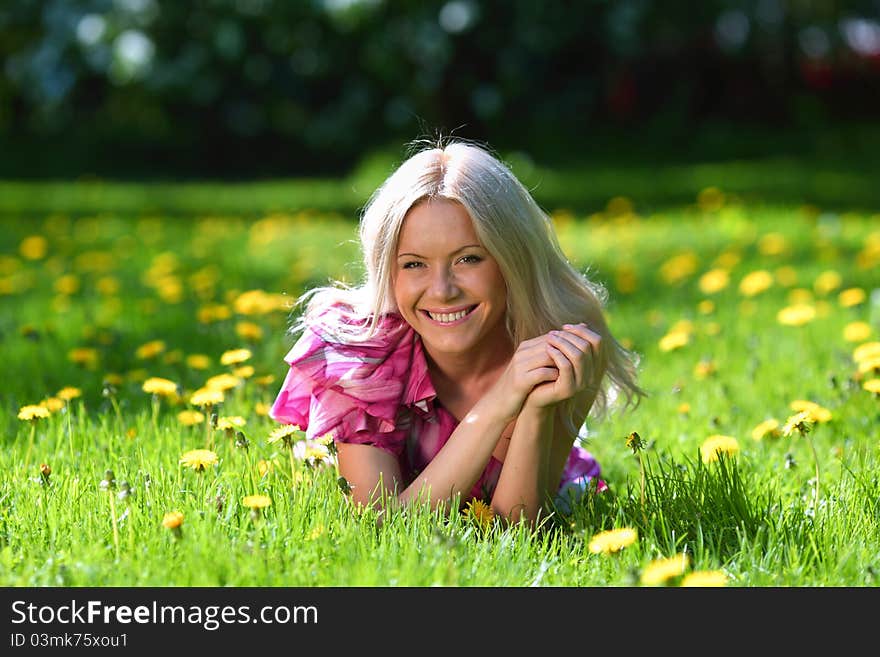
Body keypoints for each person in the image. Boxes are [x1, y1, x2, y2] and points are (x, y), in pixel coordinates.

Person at [270, 139, 644, 526]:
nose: (442, 291)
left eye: (468, 258)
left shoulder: (559, 337)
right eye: (414, 264)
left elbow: (518, 529)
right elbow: (382, 526)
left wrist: (533, 406)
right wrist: (501, 401)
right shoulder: (362, 355)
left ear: (511, 258)